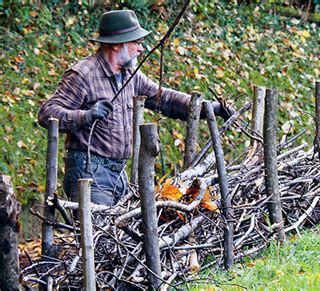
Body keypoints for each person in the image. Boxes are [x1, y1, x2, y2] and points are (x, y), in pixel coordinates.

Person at [38, 10, 231, 206]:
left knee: (116, 235)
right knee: (96, 234)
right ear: (116, 45)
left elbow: (165, 99)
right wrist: (86, 116)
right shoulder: (84, 74)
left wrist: (211, 108)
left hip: (118, 175)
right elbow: (47, 113)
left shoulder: (130, 75)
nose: (141, 49)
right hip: (89, 174)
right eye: (136, 43)